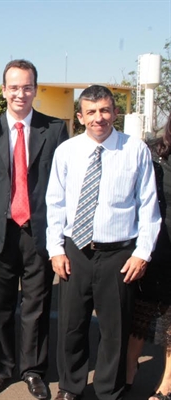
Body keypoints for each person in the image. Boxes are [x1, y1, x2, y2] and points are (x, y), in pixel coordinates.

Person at [46, 85, 161, 400]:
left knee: (115, 329)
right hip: (75, 251)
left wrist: (142, 254)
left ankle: (110, 390)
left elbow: (149, 207)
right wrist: (55, 249)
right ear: (80, 116)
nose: (99, 118)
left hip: (119, 254)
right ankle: (70, 386)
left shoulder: (134, 150)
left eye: (105, 110)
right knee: (72, 325)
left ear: (115, 112)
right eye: (92, 112)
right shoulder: (66, 151)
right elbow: (54, 204)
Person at [0, 59, 68, 399]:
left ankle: (33, 370)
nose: (20, 93)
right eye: (13, 87)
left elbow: (63, 185)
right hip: (0, 231)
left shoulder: (55, 130)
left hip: (39, 232)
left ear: (35, 89)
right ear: (3, 90)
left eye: (27, 86)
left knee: (36, 305)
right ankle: (2, 367)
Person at [126, 116, 171, 400]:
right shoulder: (152, 153)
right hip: (152, 245)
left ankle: (167, 384)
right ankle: (129, 369)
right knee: (138, 315)